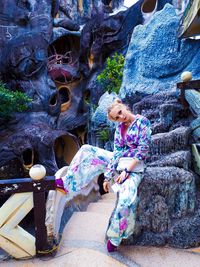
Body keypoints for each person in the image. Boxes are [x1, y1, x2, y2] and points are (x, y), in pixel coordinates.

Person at [57, 99, 152, 252]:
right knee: (86, 150)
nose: (120, 118)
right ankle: (67, 182)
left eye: (120, 113)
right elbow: (117, 154)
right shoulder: (119, 129)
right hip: (119, 162)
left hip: (134, 166)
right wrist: (107, 177)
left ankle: (115, 237)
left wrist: (127, 171)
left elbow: (143, 150)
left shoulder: (142, 122)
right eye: (116, 118)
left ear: (123, 107)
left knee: (126, 200)